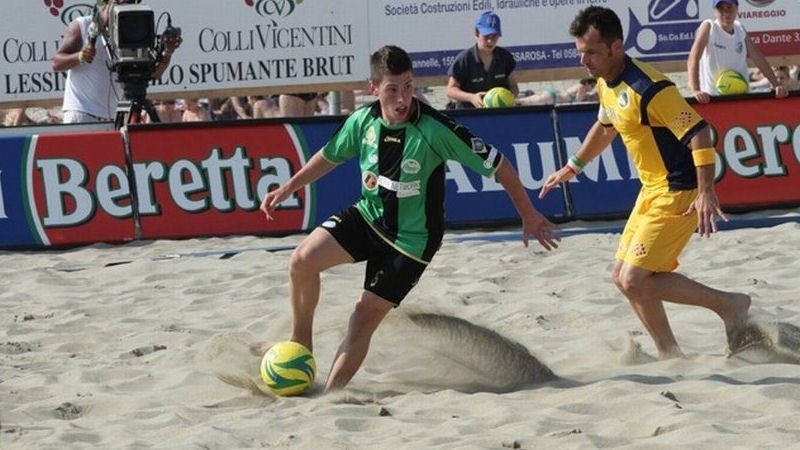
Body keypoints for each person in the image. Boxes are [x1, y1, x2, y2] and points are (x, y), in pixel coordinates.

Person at [258, 45, 559, 392]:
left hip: (411, 241)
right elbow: (329, 156)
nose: (402, 98)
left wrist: (528, 214)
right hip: (369, 216)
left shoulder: (436, 129)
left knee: (363, 317)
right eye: (392, 89)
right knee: (301, 261)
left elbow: (500, 164)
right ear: (373, 89)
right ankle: (301, 345)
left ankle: (330, 396)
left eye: (408, 87)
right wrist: (289, 187)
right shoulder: (363, 121)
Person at [539, 6, 751, 360]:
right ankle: (670, 354)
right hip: (651, 189)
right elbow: (606, 126)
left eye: (591, 52)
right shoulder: (606, 80)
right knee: (621, 277)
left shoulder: (650, 88)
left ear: (615, 47)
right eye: (580, 52)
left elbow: (700, 133)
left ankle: (730, 305)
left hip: (679, 189)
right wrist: (572, 167)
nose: (584, 61)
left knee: (635, 279)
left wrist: (706, 191)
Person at [51, 0, 182, 123]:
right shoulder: (82, 25)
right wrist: (80, 56)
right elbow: (56, 63)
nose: (126, 6)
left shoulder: (132, 32)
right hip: (82, 114)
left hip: (113, 118)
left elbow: (154, 73)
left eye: (130, 3)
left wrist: (168, 52)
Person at [687, 0, 787, 103]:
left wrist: (776, 84)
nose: (726, 12)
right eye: (721, 8)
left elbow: (758, 57)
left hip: (741, 97)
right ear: (714, 11)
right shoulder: (709, 27)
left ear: (737, 9)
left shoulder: (739, 28)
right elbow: (693, 58)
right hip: (714, 98)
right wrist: (696, 90)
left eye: (729, 7)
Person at [446, 11, 519, 108]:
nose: (490, 41)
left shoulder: (505, 56)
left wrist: (508, 98)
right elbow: (450, 90)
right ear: (476, 33)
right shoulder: (465, 59)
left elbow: (513, 86)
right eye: (486, 36)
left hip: (499, 113)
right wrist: (471, 98)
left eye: (494, 36)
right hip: (470, 113)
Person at [517, 77, 598, 106]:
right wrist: (591, 97)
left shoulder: (578, 86)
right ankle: (515, 101)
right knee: (528, 102)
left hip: (554, 95)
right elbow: (579, 101)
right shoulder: (582, 88)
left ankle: (516, 100)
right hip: (554, 97)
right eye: (592, 86)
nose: (592, 89)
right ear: (587, 83)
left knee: (530, 100)